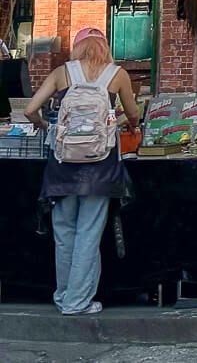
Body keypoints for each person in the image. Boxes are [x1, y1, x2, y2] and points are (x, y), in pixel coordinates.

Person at [24, 28, 140, 316]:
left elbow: (29, 109)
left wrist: (43, 125)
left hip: (62, 166)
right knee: (89, 233)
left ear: (76, 48)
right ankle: (78, 302)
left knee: (64, 234)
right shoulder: (118, 74)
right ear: (104, 47)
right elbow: (134, 114)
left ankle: (64, 296)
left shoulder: (62, 73)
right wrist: (120, 122)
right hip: (100, 168)